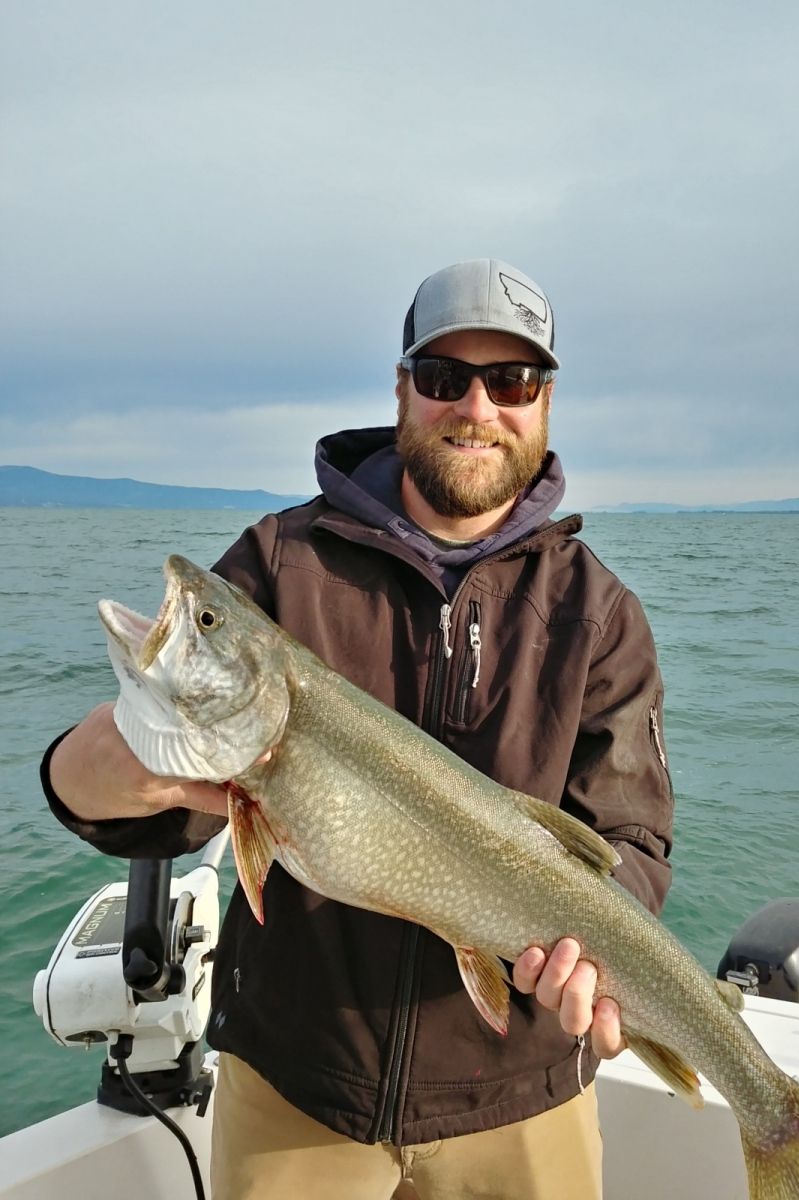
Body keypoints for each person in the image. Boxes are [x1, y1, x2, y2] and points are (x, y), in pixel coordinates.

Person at [42, 258, 674, 1200]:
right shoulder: (278, 565)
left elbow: (631, 841)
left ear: (544, 402)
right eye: (443, 377)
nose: (477, 406)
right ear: (401, 389)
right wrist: (87, 774)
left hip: (524, 1092)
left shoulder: (599, 614)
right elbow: (168, 812)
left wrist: (587, 951)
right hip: (298, 1084)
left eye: (510, 381)